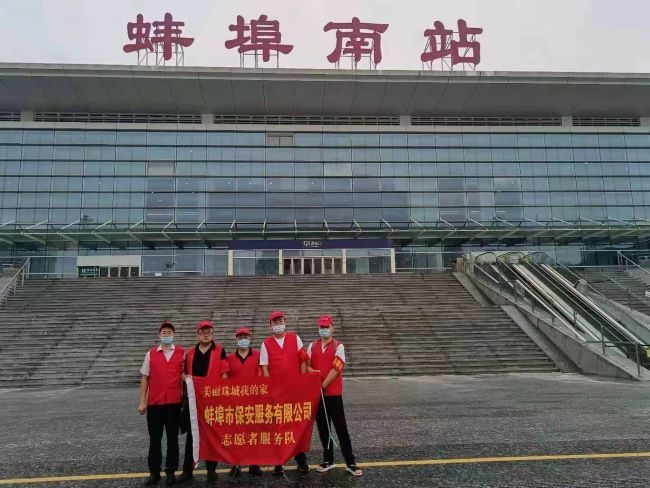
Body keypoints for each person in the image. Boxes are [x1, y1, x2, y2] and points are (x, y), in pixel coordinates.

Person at [307, 315, 363, 477]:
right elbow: (306, 366)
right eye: (321, 327)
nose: (324, 330)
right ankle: (328, 460)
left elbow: (336, 369)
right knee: (324, 429)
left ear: (333, 328)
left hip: (333, 395)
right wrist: (313, 374)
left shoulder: (338, 346)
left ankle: (350, 462)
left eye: (326, 327)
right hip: (318, 396)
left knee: (341, 429)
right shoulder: (312, 346)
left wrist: (322, 385)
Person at [177, 320, 230, 484]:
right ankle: (187, 470)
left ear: (212, 334)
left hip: (213, 400)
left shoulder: (219, 350)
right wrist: (185, 378)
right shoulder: (190, 353)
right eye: (202, 332)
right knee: (192, 436)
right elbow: (183, 374)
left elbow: (224, 374)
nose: (205, 334)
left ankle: (211, 470)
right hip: (195, 402)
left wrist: (222, 394)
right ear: (197, 334)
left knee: (211, 436)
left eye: (208, 331)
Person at [260, 310, 310, 476]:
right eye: (275, 322)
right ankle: (278, 461)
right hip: (277, 393)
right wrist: (269, 389)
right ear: (270, 325)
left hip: (294, 391)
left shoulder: (295, 338)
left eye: (280, 321)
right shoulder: (266, 343)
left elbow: (303, 361)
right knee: (278, 427)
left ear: (285, 322)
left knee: (297, 425)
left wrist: (302, 382)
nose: (278, 324)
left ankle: (301, 460)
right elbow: (265, 368)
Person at [139, 320, 185, 486]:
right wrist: (142, 402)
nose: (166, 335)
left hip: (174, 404)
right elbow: (145, 378)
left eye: (169, 332)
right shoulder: (151, 354)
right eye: (164, 332)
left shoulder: (181, 353)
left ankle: (171, 471)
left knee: (172, 439)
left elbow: (183, 375)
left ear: (174, 335)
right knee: (155, 440)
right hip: (155, 404)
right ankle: (154, 472)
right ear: (159, 335)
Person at [225, 327, 264, 478]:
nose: (243, 340)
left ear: (250, 338)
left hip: (254, 402)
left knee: (254, 434)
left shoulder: (258, 355)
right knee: (237, 435)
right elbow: (225, 379)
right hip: (236, 403)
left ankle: (254, 464)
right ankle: (236, 464)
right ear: (236, 339)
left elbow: (262, 376)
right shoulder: (229, 358)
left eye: (245, 337)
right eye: (240, 337)